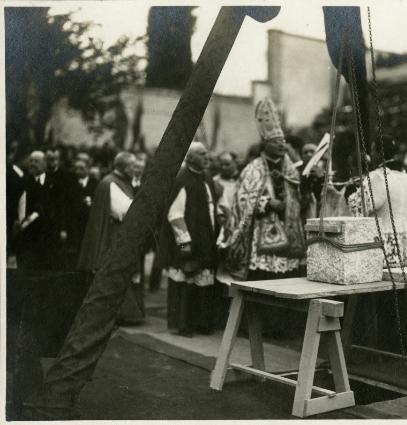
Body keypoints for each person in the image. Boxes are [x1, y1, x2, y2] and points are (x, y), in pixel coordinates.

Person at [222, 98, 306, 282]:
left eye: (283, 141)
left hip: (289, 233)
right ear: (266, 144)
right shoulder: (253, 169)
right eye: (277, 141)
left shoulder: (291, 169)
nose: (282, 145)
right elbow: (242, 200)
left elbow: (300, 194)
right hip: (262, 231)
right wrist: (267, 203)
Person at [157, 142, 221, 336]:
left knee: (201, 282)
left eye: (206, 154)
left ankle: (200, 322)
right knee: (184, 282)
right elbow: (175, 216)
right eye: (201, 154)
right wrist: (185, 244)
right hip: (187, 242)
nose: (206, 157)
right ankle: (183, 325)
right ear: (190, 158)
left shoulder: (206, 178)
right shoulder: (182, 180)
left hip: (205, 239)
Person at [77, 151, 144, 323]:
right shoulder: (110, 184)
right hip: (111, 236)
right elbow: (125, 211)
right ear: (122, 166)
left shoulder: (121, 182)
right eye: (131, 166)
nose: (135, 169)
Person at [348, 134, 407, 266]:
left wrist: (350, 191)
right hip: (401, 244)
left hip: (382, 245)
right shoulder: (405, 177)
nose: (371, 155)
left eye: (372, 150)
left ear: (379, 153)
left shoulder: (377, 177)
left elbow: (358, 207)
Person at [13, 151, 54, 271]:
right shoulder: (23, 181)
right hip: (28, 232)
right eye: (31, 161)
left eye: (36, 161)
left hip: (48, 232)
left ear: (45, 163)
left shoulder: (53, 181)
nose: (33, 164)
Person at [66, 159, 98, 268]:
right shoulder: (71, 182)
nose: (78, 171)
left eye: (82, 168)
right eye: (76, 169)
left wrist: (91, 201)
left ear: (88, 169)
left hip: (90, 223)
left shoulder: (95, 183)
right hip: (75, 223)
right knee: (75, 251)